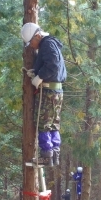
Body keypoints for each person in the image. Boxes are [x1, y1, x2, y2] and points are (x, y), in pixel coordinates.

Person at [21, 22, 67, 166]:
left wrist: (39, 77)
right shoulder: (50, 44)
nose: (32, 46)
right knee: (54, 124)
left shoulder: (46, 44)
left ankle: (47, 155)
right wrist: (35, 72)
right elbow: (52, 65)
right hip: (57, 91)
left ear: (37, 36)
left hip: (48, 91)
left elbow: (52, 65)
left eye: (31, 42)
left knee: (43, 123)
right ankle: (55, 155)